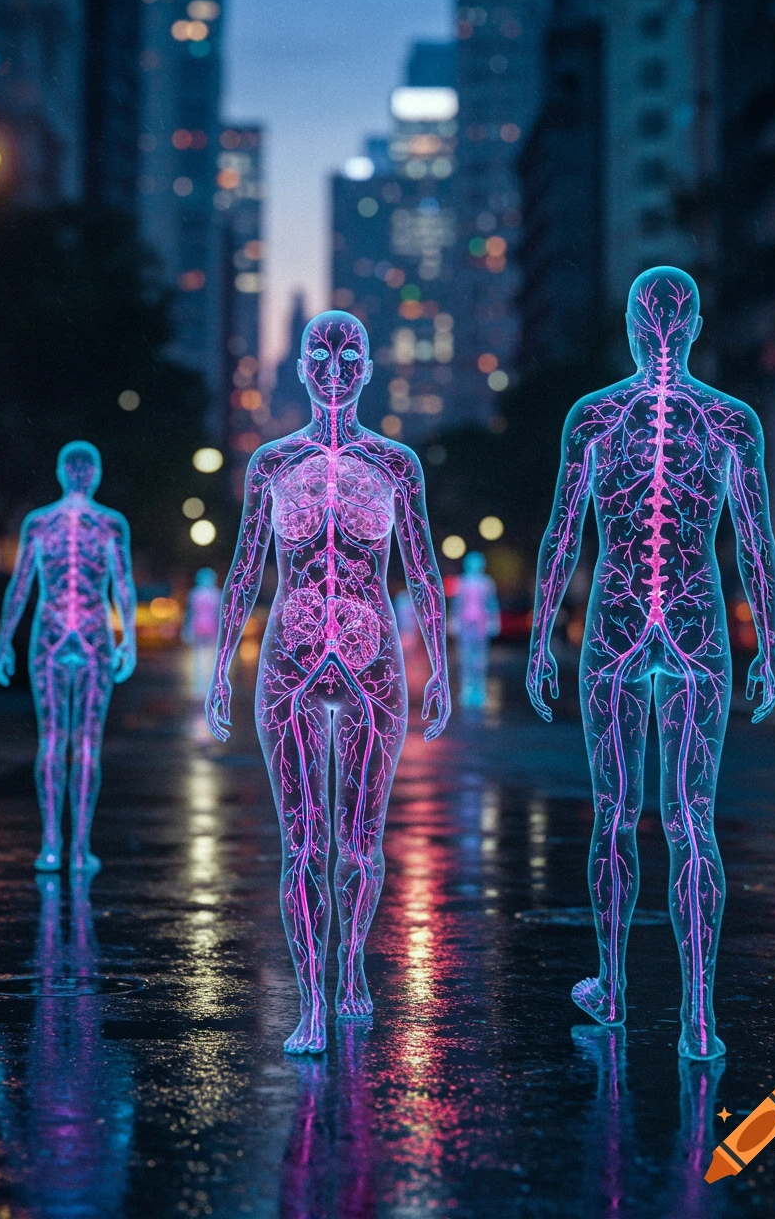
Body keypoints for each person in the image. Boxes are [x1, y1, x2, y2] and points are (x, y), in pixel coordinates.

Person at [527, 268, 775, 1060]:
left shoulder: (598, 415)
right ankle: (697, 1017)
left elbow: (563, 535)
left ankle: (614, 987)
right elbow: (756, 543)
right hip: (698, 625)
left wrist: (541, 638)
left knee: (615, 813)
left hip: (619, 620)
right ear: (694, 326)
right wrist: (768, 647)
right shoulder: (729, 420)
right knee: (690, 817)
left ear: (634, 329)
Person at [206, 311, 451, 1054]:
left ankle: (351, 972)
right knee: (305, 844)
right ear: (302, 368)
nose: (335, 369)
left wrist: (441, 666)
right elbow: (245, 569)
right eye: (321, 354)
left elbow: (424, 570)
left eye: (350, 356)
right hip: (292, 660)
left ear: (369, 369)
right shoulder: (273, 463)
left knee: (361, 843)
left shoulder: (396, 463)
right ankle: (313, 999)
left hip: (373, 663)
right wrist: (219, 669)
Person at [0, 442, 136, 874]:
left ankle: (54, 845)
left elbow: (21, 584)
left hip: (52, 633)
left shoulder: (41, 522)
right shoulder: (108, 523)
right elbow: (122, 584)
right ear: (95, 474)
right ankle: (77, 849)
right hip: (91, 633)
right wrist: (128, 639)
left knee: (54, 739)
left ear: (61, 472)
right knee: (85, 742)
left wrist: (4, 641)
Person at [450, 551, 501, 708]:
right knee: (465, 658)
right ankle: (467, 689)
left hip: (481, 624)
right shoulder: (462, 582)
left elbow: (491, 603)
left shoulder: (486, 583)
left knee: (480, 659)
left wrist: (494, 621)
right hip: (466, 623)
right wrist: (454, 621)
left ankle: (479, 689)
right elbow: (457, 604)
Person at [183, 567, 220, 700]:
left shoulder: (216, 594)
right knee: (199, 657)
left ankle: (210, 683)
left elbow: (219, 614)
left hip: (212, 627)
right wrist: (187, 629)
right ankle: (200, 683)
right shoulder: (194, 593)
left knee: (211, 657)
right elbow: (190, 612)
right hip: (198, 626)